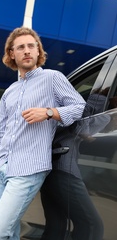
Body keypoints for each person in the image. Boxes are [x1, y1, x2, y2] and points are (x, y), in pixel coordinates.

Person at [0, 26, 86, 240]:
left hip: (28, 169)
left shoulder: (53, 78)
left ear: (38, 51)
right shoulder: (9, 92)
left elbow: (79, 106)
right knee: (9, 233)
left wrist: (49, 112)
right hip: (0, 170)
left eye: (31, 46)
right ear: (11, 54)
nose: (27, 51)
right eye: (21, 47)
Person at [40, 100, 106, 240]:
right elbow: (83, 129)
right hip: (64, 167)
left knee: (56, 225)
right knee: (91, 225)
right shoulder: (98, 107)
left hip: (51, 166)